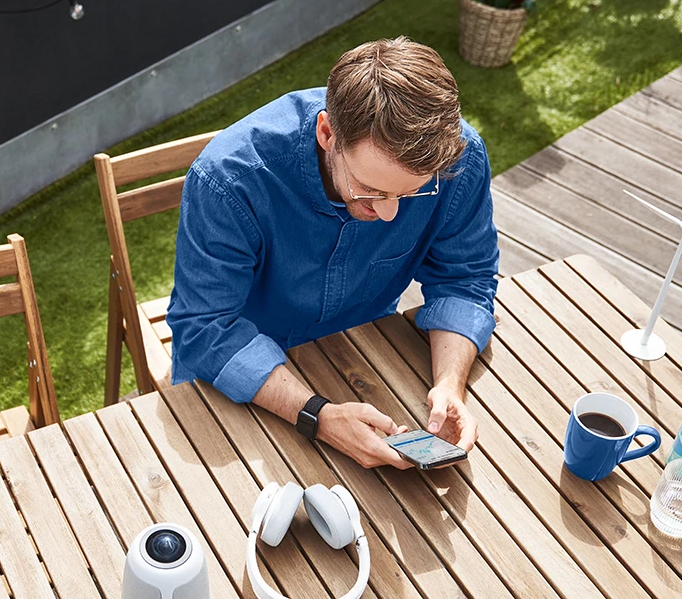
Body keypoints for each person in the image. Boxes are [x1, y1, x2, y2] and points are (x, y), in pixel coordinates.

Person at [168, 37, 499, 469]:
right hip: (237, 376)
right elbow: (205, 327)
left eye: (413, 192)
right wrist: (316, 416)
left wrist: (450, 384)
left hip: (361, 352)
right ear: (328, 133)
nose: (389, 212)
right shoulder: (229, 180)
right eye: (371, 189)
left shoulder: (460, 158)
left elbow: (465, 278)